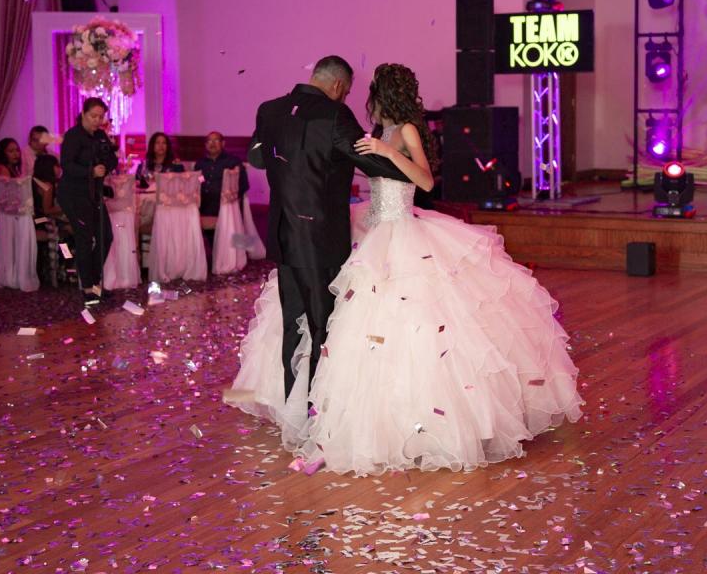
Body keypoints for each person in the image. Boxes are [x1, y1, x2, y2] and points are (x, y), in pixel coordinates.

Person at [226, 63, 583, 476]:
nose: (364, 101)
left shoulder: (407, 131)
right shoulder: (372, 132)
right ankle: (332, 414)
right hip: (372, 229)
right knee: (344, 323)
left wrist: (387, 153)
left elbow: (426, 183)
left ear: (383, 95)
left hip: (402, 233)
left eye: (371, 94)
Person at [236, 55, 412, 405]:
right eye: (346, 92)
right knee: (322, 326)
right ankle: (314, 410)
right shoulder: (335, 114)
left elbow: (256, 158)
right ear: (338, 86)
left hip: (283, 234)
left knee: (292, 324)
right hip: (321, 240)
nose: (345, 98)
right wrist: (409, 172)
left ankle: (293, 403)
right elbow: (366, 159)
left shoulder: (269, 110)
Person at [57, 97, 119, 305]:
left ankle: (94, 281)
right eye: (93, 116)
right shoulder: (73, 136)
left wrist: (104, 166)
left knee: (106, 236)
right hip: (74, 193)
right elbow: (66, 165)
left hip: (94, 193)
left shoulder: (100, 135)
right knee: (85, 238)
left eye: (100, 117)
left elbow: (112, 159)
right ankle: (88, 286)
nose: (97, 120)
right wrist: (90, 171)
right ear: (83, 114)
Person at [194, 131, 244, 220]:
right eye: (209, 141)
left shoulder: (233, 161)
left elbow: (242, 184)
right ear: (206, 145)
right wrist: (203, 183)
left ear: (223, 143)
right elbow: (199, 178)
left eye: (216, 140)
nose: (212, 144)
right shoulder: (200, 163)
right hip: (204, 201)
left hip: (226, 204)